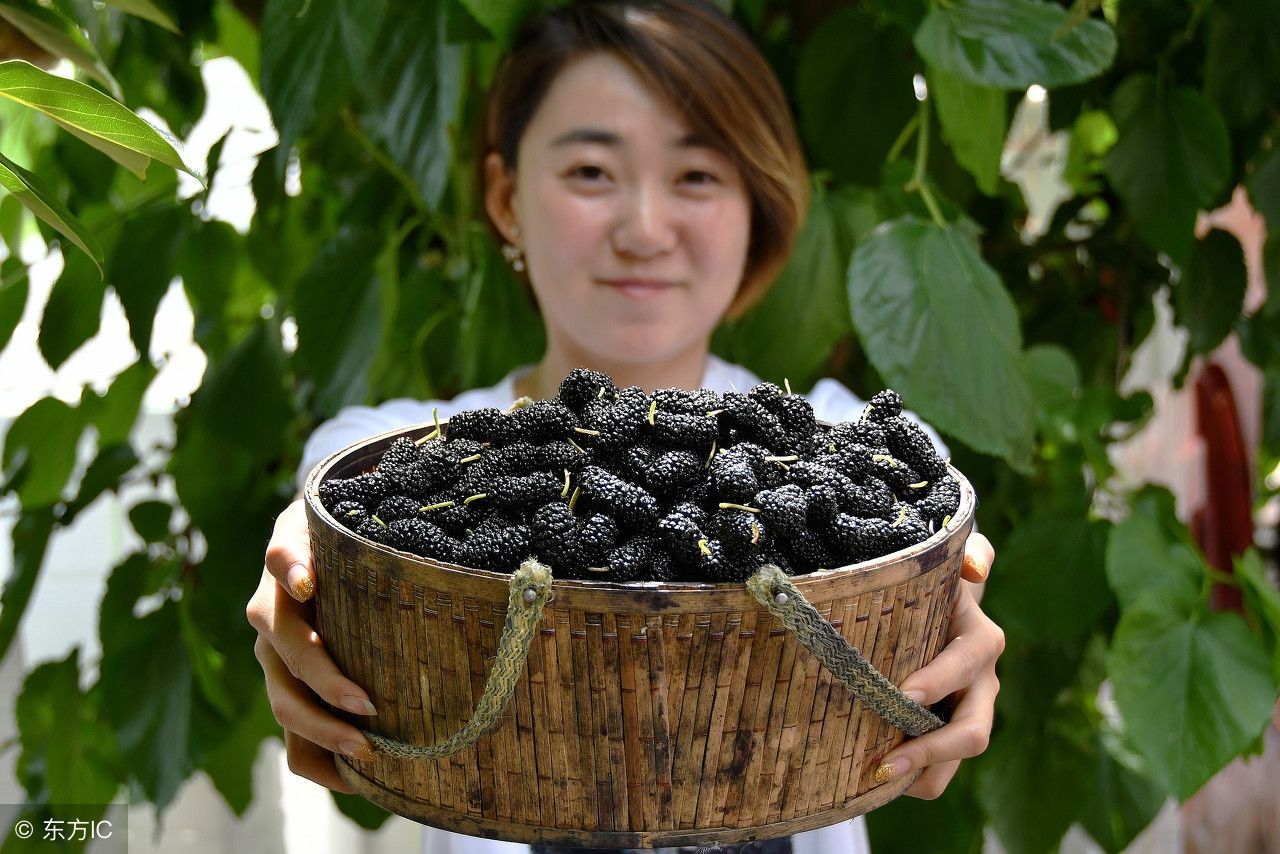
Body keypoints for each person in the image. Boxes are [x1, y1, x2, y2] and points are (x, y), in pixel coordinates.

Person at [245, 1, 1004, 852]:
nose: (645, 231)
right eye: (592, 173)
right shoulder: (399, 451)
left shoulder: (848, 446)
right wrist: (306, 588)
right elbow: (316, 535)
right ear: (505, 198)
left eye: (697, 177)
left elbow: (936, 558)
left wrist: (950, 624)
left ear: (758, 202)